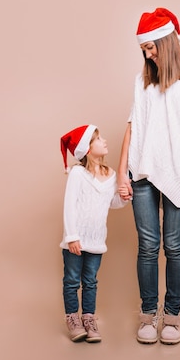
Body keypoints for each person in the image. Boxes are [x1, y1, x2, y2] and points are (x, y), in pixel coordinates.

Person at [117, 7, 180, 345]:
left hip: (179, 172)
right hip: (143, 170)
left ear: (167, 41)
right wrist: (121, 173)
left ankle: (172, 317)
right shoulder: (143, 80)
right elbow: (133, 127)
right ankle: (148, 315)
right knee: (148, 246)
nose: (148, 54)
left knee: (174, 246)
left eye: (151, 47)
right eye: (144, 50)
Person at [59, 124, 129, 343]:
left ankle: (88, 318)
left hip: (97, 240)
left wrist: (125, 196)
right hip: (76, 240)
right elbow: (69, 205)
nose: (104, 141)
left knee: (90, 281)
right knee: (72, 281)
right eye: (98, 139)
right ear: (87, 149)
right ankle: (73, 319)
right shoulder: (78, 174)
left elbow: (113, 203)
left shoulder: (110, 175)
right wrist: (72, 236)